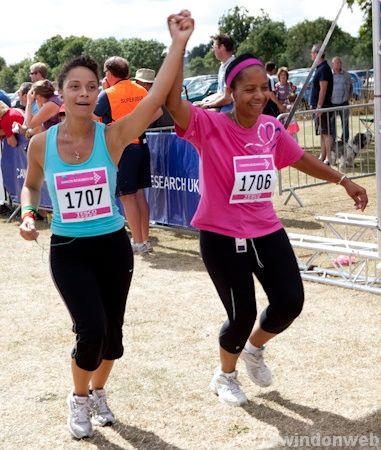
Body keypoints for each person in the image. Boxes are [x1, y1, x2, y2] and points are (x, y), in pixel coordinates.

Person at [19, 10, 194, 438]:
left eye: (90, 86)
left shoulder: (112, 137)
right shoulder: (42, 143)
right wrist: (27, 212)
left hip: (113, 247)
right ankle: (78, 400)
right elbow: (30, 186)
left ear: (99, 91)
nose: (83, 93)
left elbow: (154, 102)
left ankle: (99, 392)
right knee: (90, 330)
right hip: (69, 249)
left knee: (112, 337)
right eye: (74, 86)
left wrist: (178, 45)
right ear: (59, 94)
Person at [166, 53, 368, 407]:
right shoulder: (209, 125)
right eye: (249, 89)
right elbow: (171, 102)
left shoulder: (270, 128)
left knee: (290, 301)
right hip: (222, 236)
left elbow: (300, 159)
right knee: (241, 314)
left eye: (264, 88)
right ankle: (225, 375)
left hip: (266, 230)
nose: (259, 95)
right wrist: (180, 46)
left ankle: (253, 349)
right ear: (230, 91)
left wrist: (343, 179)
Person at [94, 58, 162, 254]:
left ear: (110, 74)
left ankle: (138, 242)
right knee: (140, 195)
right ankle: (144, 240)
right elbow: (157, 112)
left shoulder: (108, 94)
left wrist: (119, 127)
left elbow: (92, 118)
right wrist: (138, 125)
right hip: (141, 145)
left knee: (127, 197)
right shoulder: (140, 90)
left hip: (123, 148)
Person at [195, 33, 235, 111]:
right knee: (198, 107)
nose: (212, 49)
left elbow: (228, 99)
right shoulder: (223, 66)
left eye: (214, 46)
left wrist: (208, 105)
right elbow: (220, 93)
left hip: (231, 110)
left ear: (222, 47)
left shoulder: (232, 67)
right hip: (225, 106)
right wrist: (205, 102)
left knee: (202, 114)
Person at [309, 43, 334, 165]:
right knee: (322, 132)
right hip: (320, 106)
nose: (311, 55)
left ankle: (328, 157)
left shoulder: (324, 68)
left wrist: (319, 106)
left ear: (317, 54)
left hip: (323, 107)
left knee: (326, 132)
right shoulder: (320, 68)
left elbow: (323, 88)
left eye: (312, 53)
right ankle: (322, 156)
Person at [330, 56, 352, 145]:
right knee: (332, 124)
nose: (340, 64)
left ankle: (345, 141)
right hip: (332, 103)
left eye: (340, 62)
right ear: (333, 64)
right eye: (337, 62)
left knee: (345, 123)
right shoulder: (329, 75)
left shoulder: (346, 75)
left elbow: (351, 87)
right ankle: (333, 141)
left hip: (344, 103)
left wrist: (347, 97)